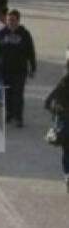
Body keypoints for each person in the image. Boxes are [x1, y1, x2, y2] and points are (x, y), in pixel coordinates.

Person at [0, 9, 36, 127]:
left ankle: (18, 117)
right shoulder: (2, 33)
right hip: (5, 70)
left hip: (20, 70)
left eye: (13, 20)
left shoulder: (24, 34)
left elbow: (30, 51)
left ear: (18, 21)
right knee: (7, 94)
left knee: (18, 94)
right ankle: (9, 114)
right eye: (8, 20)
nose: (10, 22)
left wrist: (33, 67)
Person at [44, 59, 69, 190]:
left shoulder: (64, 82)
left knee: (67, 151)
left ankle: (67, 174)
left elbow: (47, 102)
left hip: (65, 122)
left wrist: (56, 110)